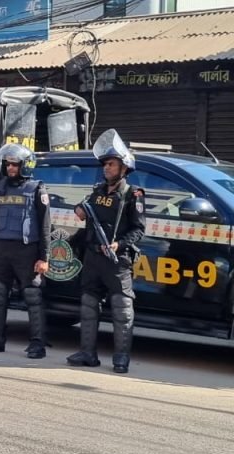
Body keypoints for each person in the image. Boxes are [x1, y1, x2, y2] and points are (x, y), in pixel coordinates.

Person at [67, 129, 145, 374]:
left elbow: (138, 230)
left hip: (117, 260)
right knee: (89, 304)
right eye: (105, 164)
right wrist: (79, 210)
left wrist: (119, 244)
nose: (106, 168)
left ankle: (121, 358)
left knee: (122, 309)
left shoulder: (133, 195)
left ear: (123, 167)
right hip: (93, 257)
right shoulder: (98, 190)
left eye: (111, 164)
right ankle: (87, 353)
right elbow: (84, 208)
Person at [0, 144, 52, 358]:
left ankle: (37, 343)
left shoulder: (37, 189)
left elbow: (45, 225)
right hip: (2, 248)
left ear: (25, 165)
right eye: (8, 164)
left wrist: (43, 257)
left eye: (14, 164)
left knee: (32, 296)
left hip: (26, 250)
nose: (10, 168)